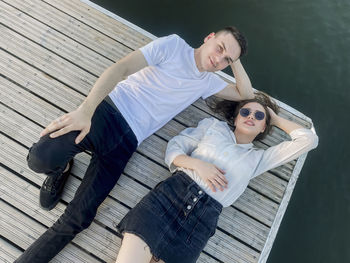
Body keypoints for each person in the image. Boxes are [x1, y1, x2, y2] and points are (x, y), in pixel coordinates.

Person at [15, 26, 255, 262]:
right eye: (219, 48)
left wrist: (234, 58)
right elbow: (121, 69)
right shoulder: (173, 46)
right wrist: (85, 111)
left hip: (127, 143)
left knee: (79, 218)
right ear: (209, 37)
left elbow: (247, 94)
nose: (218, 59)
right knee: (38, 159)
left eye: (226, 60)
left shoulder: (208, 82)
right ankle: (62, 169)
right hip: (107, 113)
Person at [115, 92, 319, 263]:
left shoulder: (259, 158)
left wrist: (274, 117)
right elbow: (175, 148)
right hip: (167, 199)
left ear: (263, 127)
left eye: (259, 116)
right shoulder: (213, 127)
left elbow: (308, 139)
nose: (251, 116)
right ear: (237, 117)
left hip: (199, 223)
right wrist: (197, 164)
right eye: (246, 112)